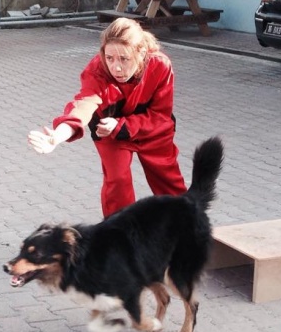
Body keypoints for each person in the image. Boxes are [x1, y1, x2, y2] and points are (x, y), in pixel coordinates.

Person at [27, 17, 187, 218]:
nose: (116, 67)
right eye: (109, 57)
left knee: (168, 179)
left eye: (124, 59)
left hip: (150, 129)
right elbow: (83, 105)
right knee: (117, 180)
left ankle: (185, 227)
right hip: (108, 130)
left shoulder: (160, 66)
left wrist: (122, 125)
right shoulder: (98, 70)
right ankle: (120, 237)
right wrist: (58, 136)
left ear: (142, 53)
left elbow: (160, 116)